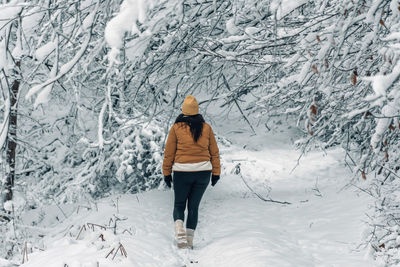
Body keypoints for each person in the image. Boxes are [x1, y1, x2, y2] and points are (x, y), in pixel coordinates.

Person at [162, 95, 221, 249]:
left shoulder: (176, 128)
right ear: (196, 111)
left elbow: (169, 152)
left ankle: (179, 231)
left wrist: (166, 173)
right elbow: (214, 152)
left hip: (182, 171)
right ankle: (189, 240)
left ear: (183, 111)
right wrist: (216, 173)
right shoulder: (206, 127)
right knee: (193, 206)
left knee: (179, 204)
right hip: (203, 172)